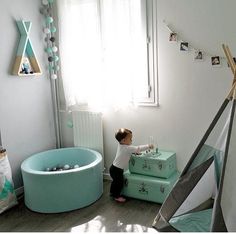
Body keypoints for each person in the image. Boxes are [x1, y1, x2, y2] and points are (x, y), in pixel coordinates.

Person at [109, 128, 154, 203]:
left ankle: (112, 193)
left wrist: (134, 152)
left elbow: (126, 152)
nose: (131, 140)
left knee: (115, 182)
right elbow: (137, 148)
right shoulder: (127, 148)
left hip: (114, 168)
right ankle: (116, 196)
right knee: (119, 183)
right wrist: (148, 146)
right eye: (130, 138)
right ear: (123, 140)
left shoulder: (121, 145)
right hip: (117, 170)